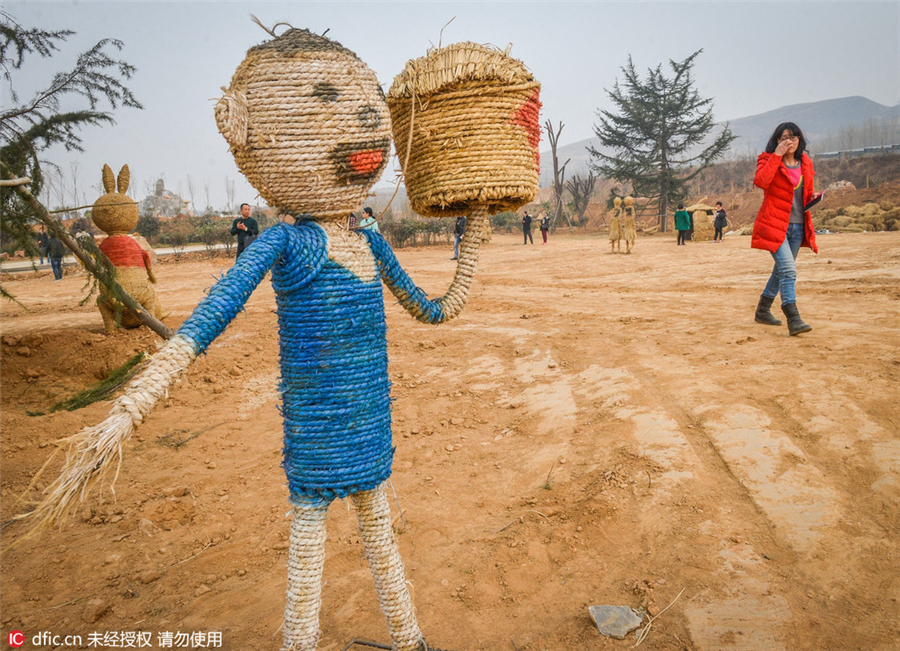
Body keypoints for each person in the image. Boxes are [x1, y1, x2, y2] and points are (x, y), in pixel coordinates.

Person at [752, 121, 819, 335]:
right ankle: (793, 317)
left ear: (799, 140)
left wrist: (813, 197)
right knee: (788, 270)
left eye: (793, 137)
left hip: (798, 226)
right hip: (774, 225)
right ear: (777, 140)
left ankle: (762, 310)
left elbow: (804, 192)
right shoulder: (767, 160)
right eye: (784, 138)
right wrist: (777, 156)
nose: (789, 141)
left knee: (780, 271)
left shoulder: (805, 162)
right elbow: (761, 182)